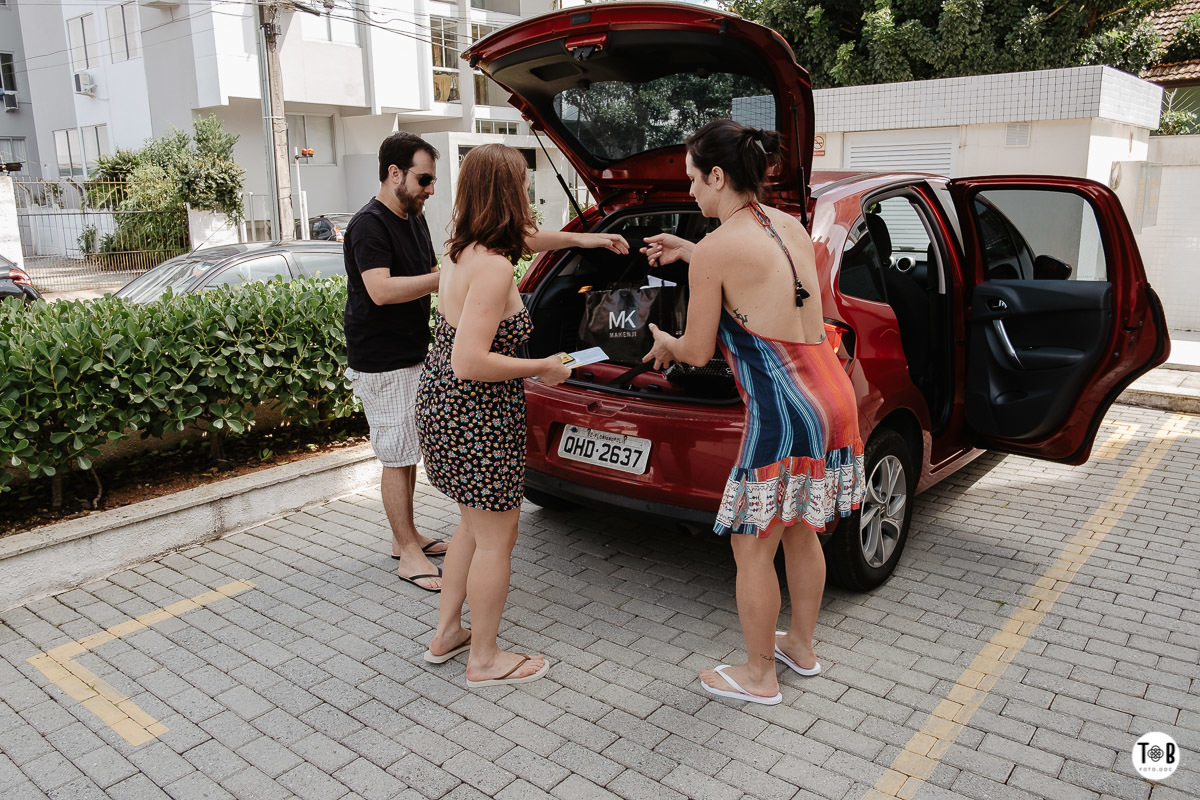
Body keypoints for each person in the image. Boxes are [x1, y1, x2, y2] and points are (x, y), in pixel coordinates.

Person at [642, 119, 865, 705]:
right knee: (800, 528)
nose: (690, 190)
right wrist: (692, 252)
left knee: (751, 543)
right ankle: (802, 648)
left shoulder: (717, 249)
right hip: (832, 394)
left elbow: (695, 351)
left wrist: (666, 343)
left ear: (718, 176)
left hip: (783, 409)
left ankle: (760, 676)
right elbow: (763, 275)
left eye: (693, 179)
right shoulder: (787, 225)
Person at [417, 143, 628, 686]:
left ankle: (447, 634)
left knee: (471, 525)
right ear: (509, 194)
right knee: (496, 539)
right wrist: (545, 366)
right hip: (477, 413)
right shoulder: (492, 269)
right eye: (524, 186)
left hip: (444, 405)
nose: (529, 195)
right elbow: (470, 361)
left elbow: (528, 239)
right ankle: (484, 659)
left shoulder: (463, 248)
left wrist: (585, 238)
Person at [343, 132, 448, 592]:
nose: (430, 189)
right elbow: (381, 291)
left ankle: (407, 536)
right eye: (424, 179)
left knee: (407, 451)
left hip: (411, 352)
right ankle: (407, 551)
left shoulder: (413, 217)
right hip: (381, 359)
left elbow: (429, 272)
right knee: (395, 453)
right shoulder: (369, 224)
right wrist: (443, 281)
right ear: (394, 173)